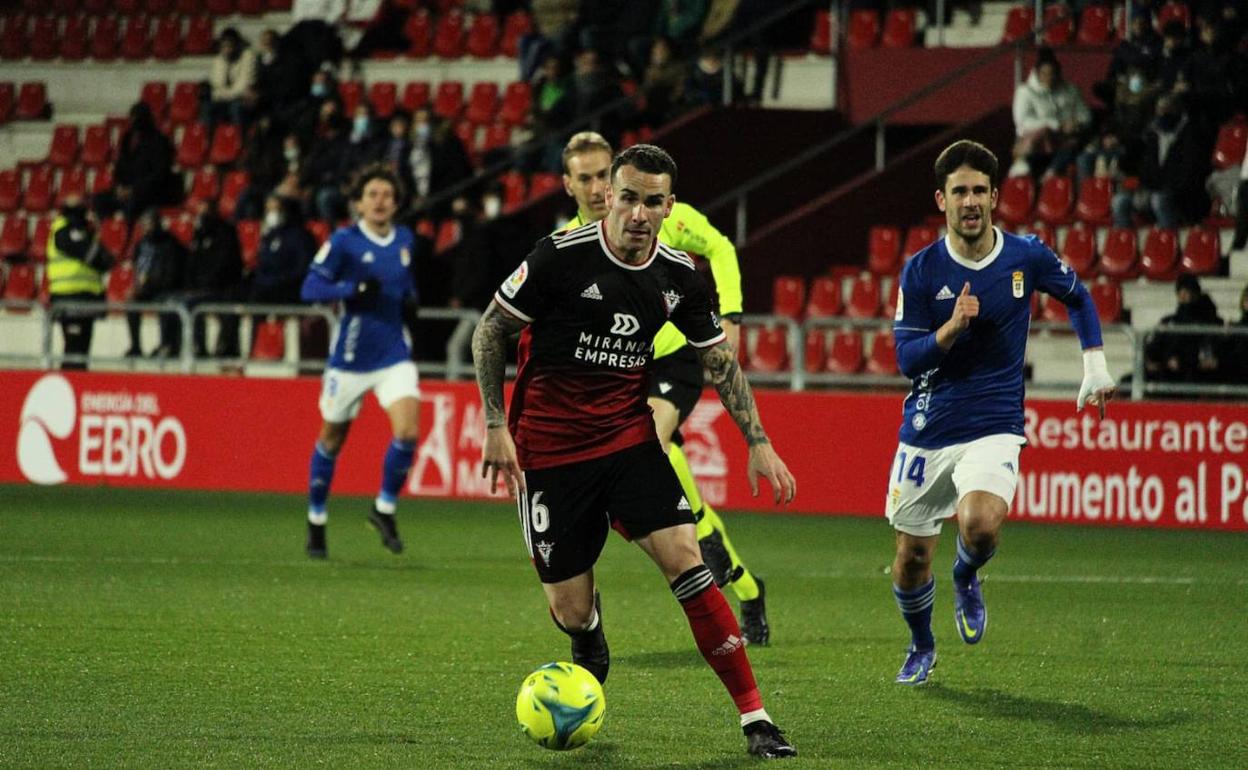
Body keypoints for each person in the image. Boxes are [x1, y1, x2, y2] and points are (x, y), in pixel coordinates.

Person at [471, 144, 797, 759]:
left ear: (669, 206)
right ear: (608, 198)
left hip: (627, 440)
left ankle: (756, 719)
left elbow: (717, 358)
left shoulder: (678, 276)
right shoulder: (558, 259)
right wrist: (495, 423)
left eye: (653, 201)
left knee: (687, 560)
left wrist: (758, 441)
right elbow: (490, 328)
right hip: (551, 453)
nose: (638, 212)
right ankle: (589, 634)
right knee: (569, 609)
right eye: (628, 198)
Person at [887, 140, 1115, 685]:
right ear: (941, 199)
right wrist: (949, 331)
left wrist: (1095, 364)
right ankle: (922, 644)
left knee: (980, 525)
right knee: (912, 559)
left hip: (994, 422)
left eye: (980, 191)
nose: (971, 201)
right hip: (927, 428)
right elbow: (905, 358)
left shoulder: (1026, 256)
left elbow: (1080, 297)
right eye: (960, 191)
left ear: (995, 196)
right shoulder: (920, 271)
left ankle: (967, 575)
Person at [557, 131, 772, 645]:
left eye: (601, 174)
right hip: (618, 367)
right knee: (650, 458)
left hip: (673, 356)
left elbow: (719, 247)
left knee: (652, 441)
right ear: (569, 185)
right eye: (583, 178)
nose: (595, 187)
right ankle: (744, 584)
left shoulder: (665, 216)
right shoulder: (567, 246)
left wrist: (733, 314)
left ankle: (697, 530)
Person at [299, 164, 421, 559]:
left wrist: (410, 298)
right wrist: (351, 288)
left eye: (387, 195)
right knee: (331, 440)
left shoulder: (404, 239)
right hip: (350, 359)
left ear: (396, 202)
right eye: (373, 195)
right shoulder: (344, 241)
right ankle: (316, 519)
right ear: (358, 203)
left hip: (393, 354)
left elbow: (403, 282)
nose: (380, 201)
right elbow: (310, 287)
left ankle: (383, 509)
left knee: (407, 432)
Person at [46, 195, 113, 370]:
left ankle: (76, 387)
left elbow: (107, 260)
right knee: (73, 351)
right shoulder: (63, 230)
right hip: (69, 299)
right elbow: (92, 256)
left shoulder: (85, 231)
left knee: (82, 352)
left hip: (86, 299)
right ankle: (67, 390)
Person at [1010, 50, 1091, 178]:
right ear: (1037, 73)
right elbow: (1023, 122)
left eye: (1052, 74)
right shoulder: (1025, 92)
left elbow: (1085, 115)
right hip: (1035, 144)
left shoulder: (1070, 90)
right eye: (1044, 74)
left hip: (1064, 141)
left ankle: (1050, 175)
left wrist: (1076, 123)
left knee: (1076, 147)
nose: (1049, 77)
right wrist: (1055, 124)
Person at [127, 209, 188, 358]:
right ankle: (135, 346)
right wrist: (136, 286)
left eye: (149, 224)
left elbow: (172, 273)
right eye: (144, 225)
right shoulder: (141, 244)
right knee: (131, 304)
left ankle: (166, 345)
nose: (146, 228)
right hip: (146, 288)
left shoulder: (171, 244)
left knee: (165, 303)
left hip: (165, 288)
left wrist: (151, 283)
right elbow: (137, 266)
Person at [1143, 274, 1223, 384]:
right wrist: (1160, 361)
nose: (1185, 295)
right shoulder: (1169, 321)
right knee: (1128, 381)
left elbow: (1207, 354)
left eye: (1189, 291)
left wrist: (1181, 361)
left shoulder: (1209, 322)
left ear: (1196, 293)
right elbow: (1153, 349)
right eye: (1182, 291)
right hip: (1167, 371)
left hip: (1193, 374)